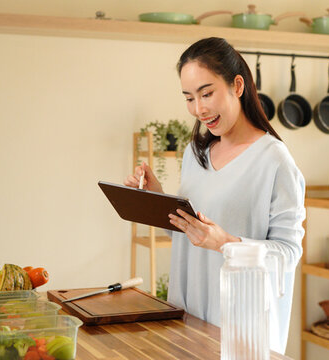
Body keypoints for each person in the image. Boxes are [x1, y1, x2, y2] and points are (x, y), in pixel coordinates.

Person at [123, 37, 305, 353]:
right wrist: (156, 198)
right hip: (187, 323)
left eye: (207, 93)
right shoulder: (196, 154)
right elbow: (192, 233)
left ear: (237, 85)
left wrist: (226, 244)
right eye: (189, 98)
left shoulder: (275, 160)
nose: (199, 109)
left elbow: (288, 254)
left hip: (241, 333)